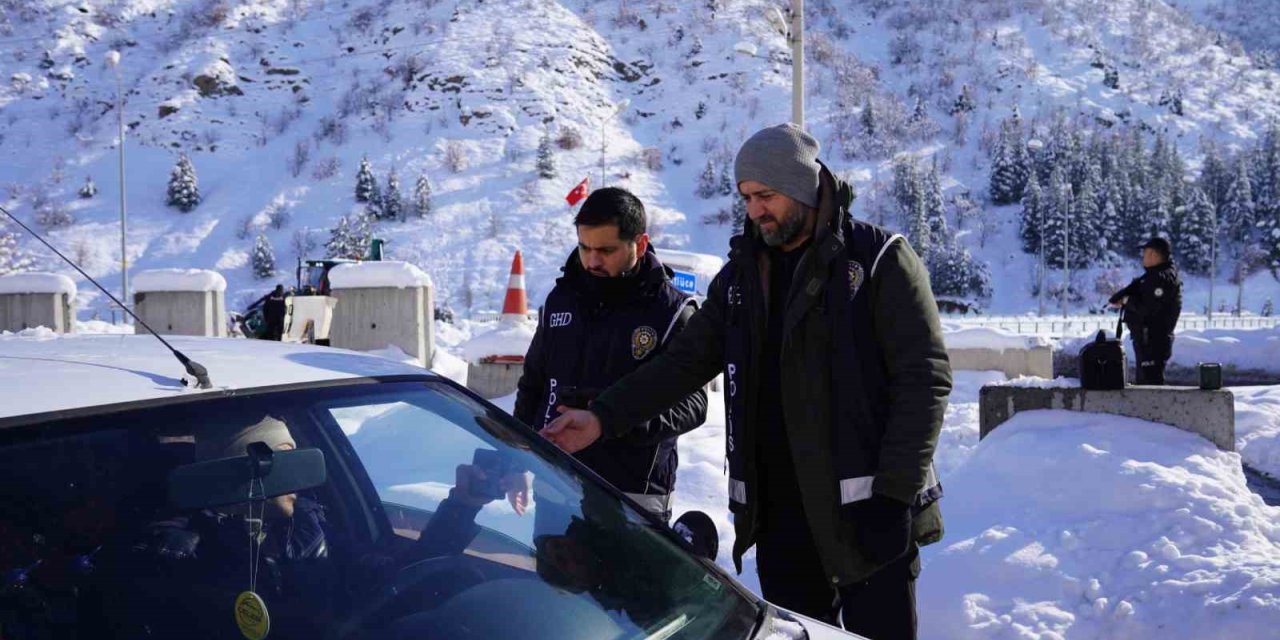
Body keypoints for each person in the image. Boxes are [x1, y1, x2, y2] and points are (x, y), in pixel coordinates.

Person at [543, 124, 951, 638]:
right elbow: (681, 366)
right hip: (781, 522)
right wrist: (603, 416)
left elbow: (925, 380)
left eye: (767, 195)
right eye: (747, 197)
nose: (756, 209)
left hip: (868, 514)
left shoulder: (878, 261)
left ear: (802, 187)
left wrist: (895, 497)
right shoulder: (740, 279)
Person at [514, 187, 708, 522]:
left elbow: (693, 405)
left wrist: (611, 421)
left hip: (631, 497)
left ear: (641, 244)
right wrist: (516, 457)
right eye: (584, 247)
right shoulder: (561, 301)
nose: (592, 261)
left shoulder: (672, 311)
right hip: (556, 482)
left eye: (606, 250)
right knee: (550, 576)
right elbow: (533, 384)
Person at [1109, 237, 1182, 385]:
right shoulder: (1153, 276)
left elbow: (1149, 308)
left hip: (1153, 339)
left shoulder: (1161, 278)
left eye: (1145, 254)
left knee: (1151, 385)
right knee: (1146, 382)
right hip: (1147, 338)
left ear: (1153, 255)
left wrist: (1126, 301)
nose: (1143, 258)